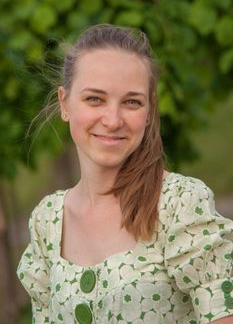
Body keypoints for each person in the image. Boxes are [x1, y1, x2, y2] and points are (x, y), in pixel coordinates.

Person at [17, 24, 233, 324]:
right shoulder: (47, 221)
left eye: (132, 102)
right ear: (65, 103)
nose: (113, 119)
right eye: (95, 99)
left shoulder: (179, 205)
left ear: (148, 111)